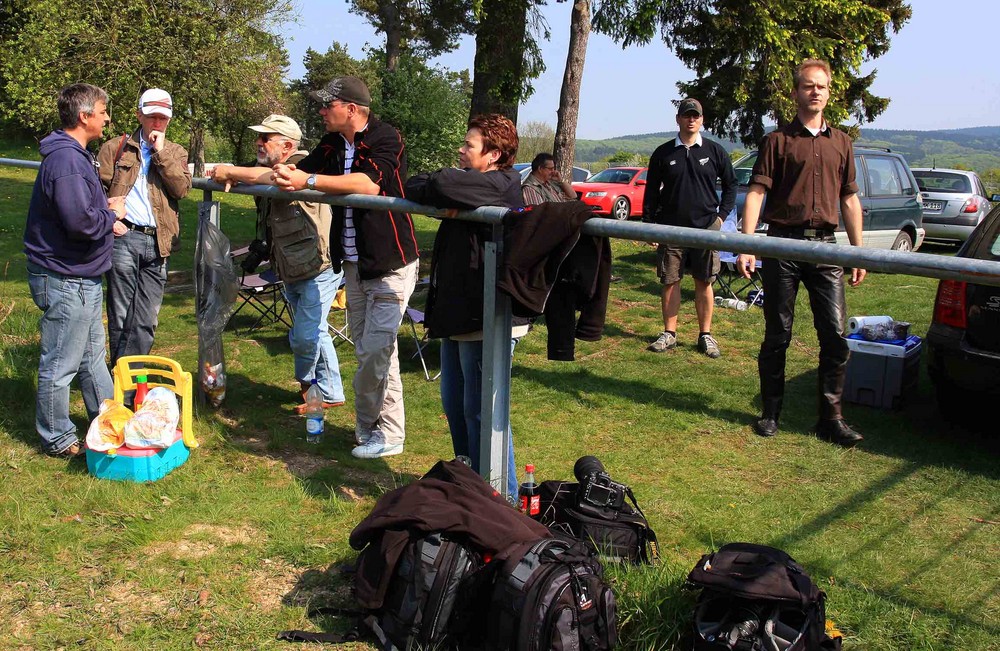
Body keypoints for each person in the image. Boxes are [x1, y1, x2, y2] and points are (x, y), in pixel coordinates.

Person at [272, 76, 419, 459]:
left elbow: (369, 185)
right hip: (353, 267)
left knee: (375, 352)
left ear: (351, 109)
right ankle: (381, 433)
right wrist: (232, 174)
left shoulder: (386, 136)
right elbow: (294, 173)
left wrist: (310, 180)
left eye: (327, 105)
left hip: (390, 264)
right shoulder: (334, 144)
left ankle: (376, 430)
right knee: (377, 353)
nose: (321, 111)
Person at [736, 59, 866, 447]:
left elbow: (850, 199)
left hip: (826, 247)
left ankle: (831, 418)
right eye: (808, 86)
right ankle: (770, 413)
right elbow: (756, 193)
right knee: (778, 333)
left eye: (821, 87)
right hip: (782, 245)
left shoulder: (842, 143)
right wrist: (746, 245)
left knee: (835, 335)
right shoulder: (777, 142)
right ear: (795, 93)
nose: (815, 92)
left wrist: (859, 253)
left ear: (829, 94)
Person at [405, 114, 525, 498]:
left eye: (468, 145)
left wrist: (445, 193)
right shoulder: (477, 184)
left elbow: (438, 183)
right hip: (458, 312)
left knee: (482, 413)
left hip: (487, 314)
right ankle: (471, 488)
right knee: (455, 407)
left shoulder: (503, 183)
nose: (460, 149)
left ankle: (502, 502)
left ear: (493, 155)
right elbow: (416, 184)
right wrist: (445, 196)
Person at [208, 115, 346, 414]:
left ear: (286, 145)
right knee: (315, 332)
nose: (258, 143)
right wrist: (236, 175)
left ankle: (310, 386)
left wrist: (231, 171)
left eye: (265, 138)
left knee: (305, 336)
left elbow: (275, 180)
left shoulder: (303, 164)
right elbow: (261, 176)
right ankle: (330, 391)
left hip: (318, 266)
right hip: (292, 266)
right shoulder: (269, 167)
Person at [23, 83, 126, 457]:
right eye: (102, 111)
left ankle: (110, 421)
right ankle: (58, 437)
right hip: (65, 277)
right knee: (61, 364)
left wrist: (103, 210)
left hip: (80, 276)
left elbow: (81, 210)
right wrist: (111, 214)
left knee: (91, 358)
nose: (107, 118)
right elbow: (79, 223)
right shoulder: (67, 160)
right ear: (84, 117)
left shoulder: (75, 155)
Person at [98, 88, 191, 366]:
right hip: (124, 237)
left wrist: (160, 153)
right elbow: (97, 191)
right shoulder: (115, 148)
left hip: (159, 242)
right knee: (121, 314)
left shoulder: (175, 152)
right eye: (152, 117)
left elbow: (181, 189)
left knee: (146, 318)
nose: (158, 123)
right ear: (139, 115)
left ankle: (127, 374)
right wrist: (111, 219)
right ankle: (126, 382)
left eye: (163, 118)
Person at [643, 98, 737, 359]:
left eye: (696, 115)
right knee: (670, 281)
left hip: (706, 229)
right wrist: (650, 225)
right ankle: (669, 334)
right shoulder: (663, 153)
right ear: (678, 119)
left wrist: (721, 217)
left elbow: (732, 185)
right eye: (687, 115)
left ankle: (705, 335)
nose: (691, 119)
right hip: (671, 229)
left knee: (704, 281)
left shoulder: (715, 151)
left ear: (702, 120)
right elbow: (650, 191)